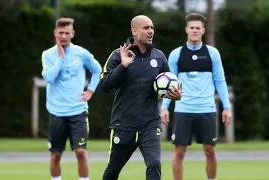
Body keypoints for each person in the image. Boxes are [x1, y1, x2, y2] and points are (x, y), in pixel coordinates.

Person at [99, 15, 182, 180]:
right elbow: (105, 85)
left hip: (150, 125)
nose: (151, 31)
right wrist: (123, 66)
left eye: (152, 27)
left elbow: (167, 87)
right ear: (134, 31)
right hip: (123, 125)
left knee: (154, 164)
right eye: (146, 28)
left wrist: (176, 96)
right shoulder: (118, 54)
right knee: (113, 170)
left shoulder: (159, 57)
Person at [160, 13, 232, 180]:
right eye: (191, 28)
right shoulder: (176, 54)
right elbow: (170, 84)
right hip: (183, 109)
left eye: (197, 28)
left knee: (210, 150)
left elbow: (220, 81)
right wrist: (164, 107)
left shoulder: (212, 53)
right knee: (179, 151)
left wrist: (227, 107)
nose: (194, 30)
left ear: (203, 31)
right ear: (186, 30)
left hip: (207, 109)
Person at [41, 17, 102, 180]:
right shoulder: (48, 55)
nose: (63, 36)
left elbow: (98, 70)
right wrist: (60, 58)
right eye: (60, 33)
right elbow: (49, 78)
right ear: (55, 33)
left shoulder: (81, 53)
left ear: (72, 34)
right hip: (56, 112)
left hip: (78, 111)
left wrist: (90, 91)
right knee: (55, 155)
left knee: (81, 152)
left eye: (67, 33)